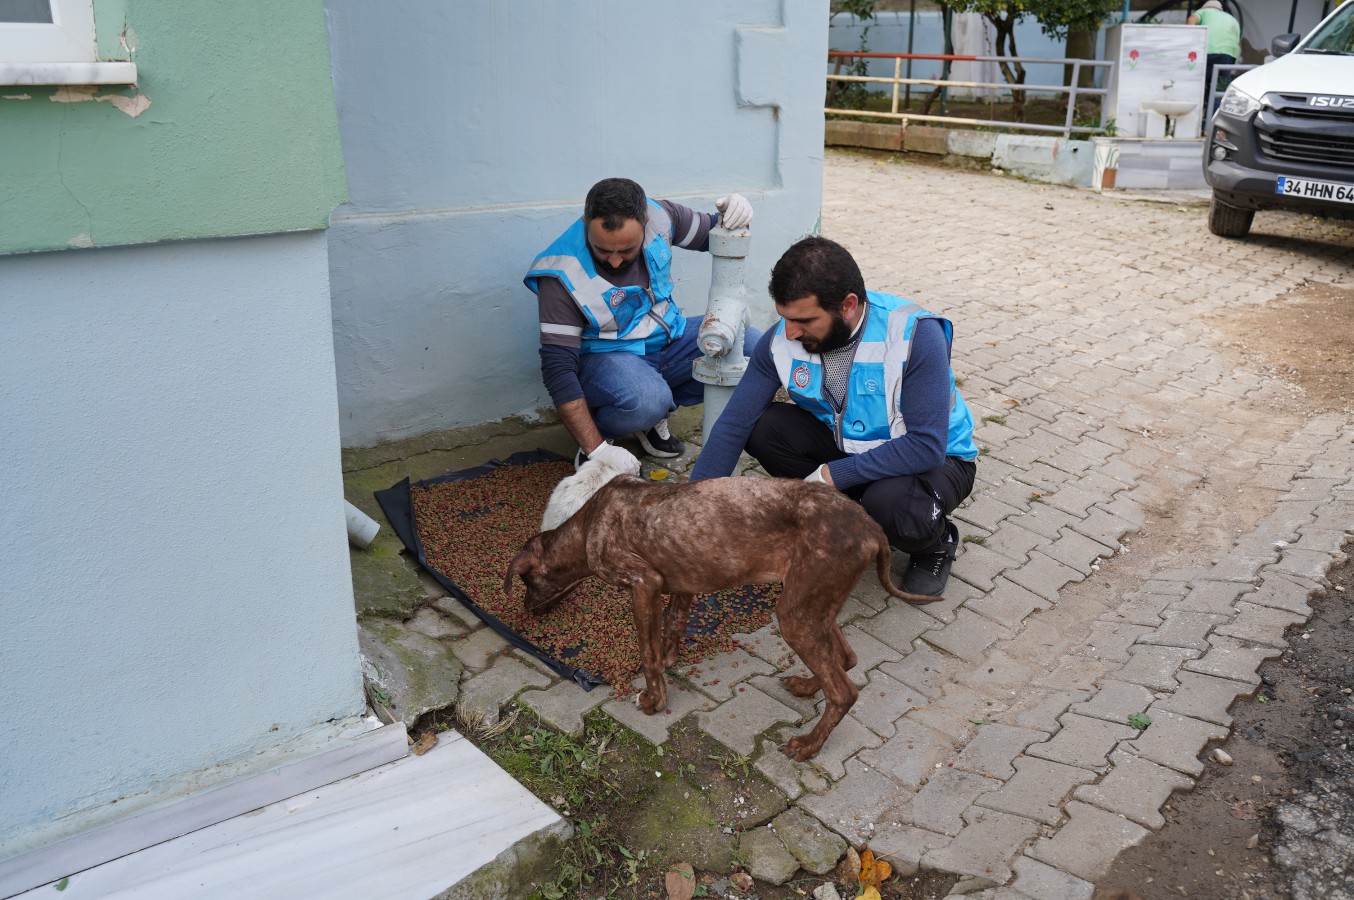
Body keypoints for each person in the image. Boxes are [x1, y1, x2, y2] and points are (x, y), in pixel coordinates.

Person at [689, 237, 978, 597]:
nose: (791, 332)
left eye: (804, 320)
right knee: (766, 428)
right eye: (785, 318)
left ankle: (936, 542)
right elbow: (734, 424)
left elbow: (927, 446)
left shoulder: (914, 335)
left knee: (892, 508)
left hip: (937, 461)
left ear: (847, 306)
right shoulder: (781, 339)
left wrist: (831, 475)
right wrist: (690, 507)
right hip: (854, 448)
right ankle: (845, 517)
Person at [525, 177, 759, 474]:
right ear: (585, 222)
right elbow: (558, 371)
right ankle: (607, 434)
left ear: (645, 222)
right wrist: (596, 449)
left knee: (752, 349)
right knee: (646, 400)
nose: (614, 261)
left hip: (669, 339)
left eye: (626, 250)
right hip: (608, 360)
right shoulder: (560, 275)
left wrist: (734, 216)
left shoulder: (661, 216)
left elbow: (716, 234)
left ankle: (652, 410)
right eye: (602, 250)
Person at [1188, 0, 1242, 105]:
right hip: (1227, 58)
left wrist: (1190, 41)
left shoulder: (1203, 12)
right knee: (1219, 90)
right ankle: (1213, 118)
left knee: (1198, 85)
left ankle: (1198, 117)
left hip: (1208, 53)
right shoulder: (1233, 20)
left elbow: (1191, 20)